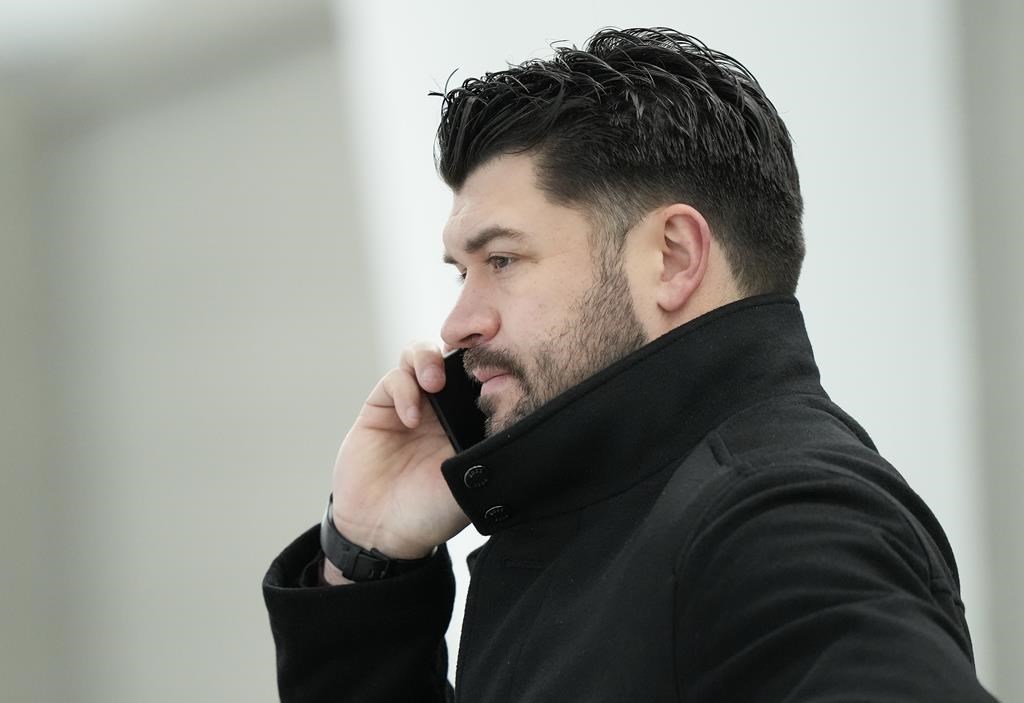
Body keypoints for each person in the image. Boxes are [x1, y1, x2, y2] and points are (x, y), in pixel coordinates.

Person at [263, 27, 997, 702]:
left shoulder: (777, 515)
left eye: (503, 259)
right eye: (462, 271)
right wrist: (366, 556)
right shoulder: (614, 512)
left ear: (673, 257)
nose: (458, 323)